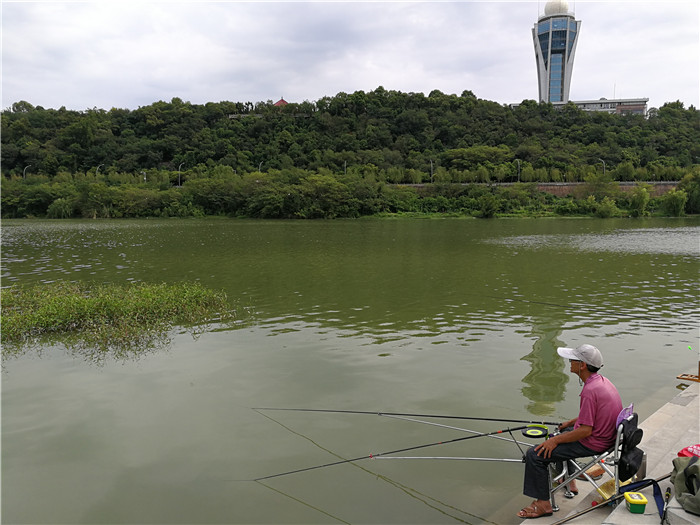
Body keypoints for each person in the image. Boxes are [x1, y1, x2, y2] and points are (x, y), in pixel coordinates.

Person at [517, 343, 623, 519]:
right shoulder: (603, 382)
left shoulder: (589, 390)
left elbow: (585, 431)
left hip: (595, 442)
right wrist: (570, 422)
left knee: (535, 454)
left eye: (572, 360)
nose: (569, 362)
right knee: (560, 433)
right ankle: (569, 482)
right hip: (608, 437)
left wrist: (554, 441)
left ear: (582, 365)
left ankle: (543, 504)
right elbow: (593, 417)